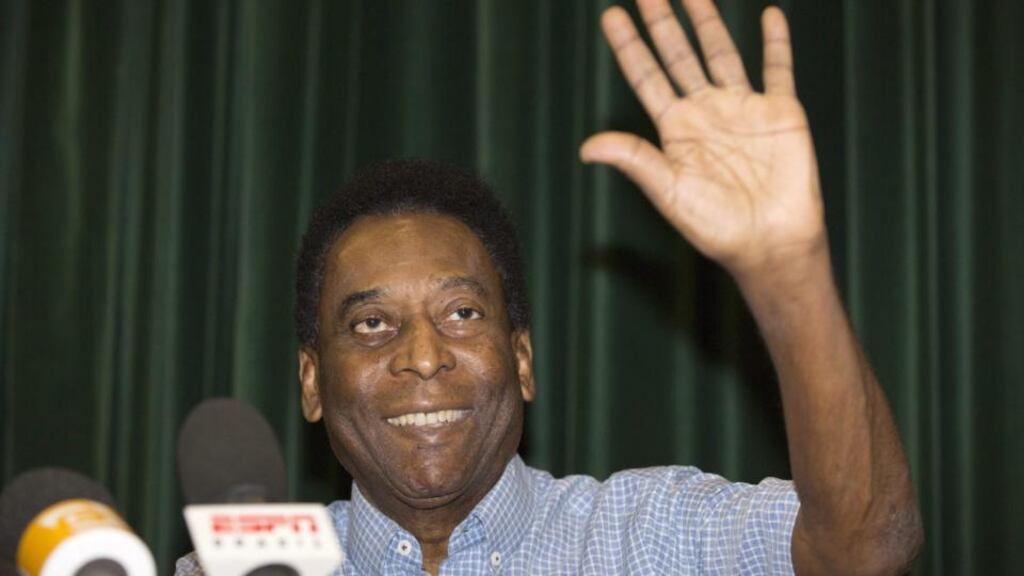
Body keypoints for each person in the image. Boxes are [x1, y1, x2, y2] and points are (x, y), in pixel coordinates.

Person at [177, 0, 922, 574]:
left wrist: (789, 271)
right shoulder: (241, 569)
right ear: (311, 381)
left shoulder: (651, 534)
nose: (424, 357)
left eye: (461, 312)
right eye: (373, 324)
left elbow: (866, 549)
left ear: (523, 360)